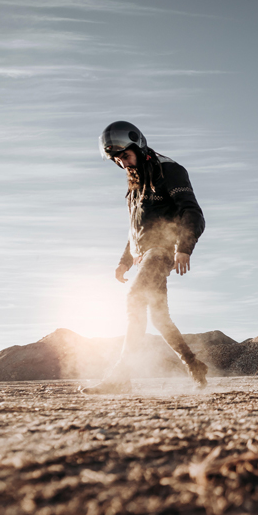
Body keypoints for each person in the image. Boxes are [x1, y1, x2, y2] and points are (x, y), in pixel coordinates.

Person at [81, 121, 209, 394]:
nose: (123, 164)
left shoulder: (169, 171)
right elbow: (136, 228)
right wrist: (124, 260)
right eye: (117, 160)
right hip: (145, 253)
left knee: (135, 298)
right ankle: (194, 364)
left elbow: (192, 212)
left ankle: (122, 377)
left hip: (161, 251)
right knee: (160, 318)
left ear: (138, 146)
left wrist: (184, 247)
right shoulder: (135, 183)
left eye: (125, 156)